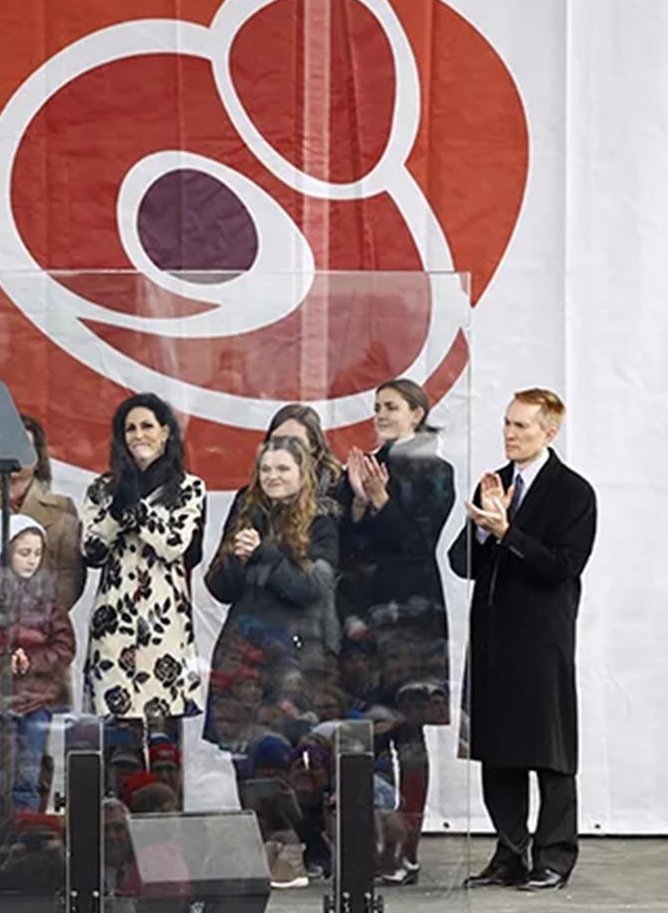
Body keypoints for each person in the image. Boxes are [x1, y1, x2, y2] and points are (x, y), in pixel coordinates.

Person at [449, 389, 596, 892]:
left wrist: (507, 531)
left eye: (522, 427)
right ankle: (509, 852)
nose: (510, 434)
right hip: (492, 637)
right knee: (499, 750)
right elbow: (460, 563)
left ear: (549, 432)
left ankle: (554, 856)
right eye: (508, 424)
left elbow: (561, 567)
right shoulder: (496, 482)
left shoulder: (573, 493)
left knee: (549, 751)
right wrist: (485, 531)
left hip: (541, 638)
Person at [332, 379, 456, 885]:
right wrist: (358, 503)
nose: (381, 413)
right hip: (364, 615)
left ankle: (407, 846)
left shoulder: (437, 470)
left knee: (409, 728)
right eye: (377, 406)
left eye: (392, 406)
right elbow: (339, 541)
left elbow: (418, 542)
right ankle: (377, 842)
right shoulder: (359, 467)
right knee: (371, 730)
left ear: (417, 413)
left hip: (412, 617)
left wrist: (382, 501)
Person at [205, 437, 342, 876]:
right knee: (245, 755)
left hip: (294, 657)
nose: (273, 477)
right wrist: (235, 559)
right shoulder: (248, 513)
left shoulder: (322, 522)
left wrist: (265, 551)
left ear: (302, 474)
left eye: (282, 469)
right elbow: (220, 588)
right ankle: (262, 845)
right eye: (266, 470)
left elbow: (310, 589)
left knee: (296, 756)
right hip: (243, 652)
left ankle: (310, 846)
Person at [81, 394, 205, 730]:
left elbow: (174, 544)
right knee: (119, 736)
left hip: (163, 623)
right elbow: (92, 551)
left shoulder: (189, 488)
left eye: (147, 426)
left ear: (165, 432)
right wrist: (115, 514)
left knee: (164, 733)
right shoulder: (102, 489)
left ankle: (163, 783)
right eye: (130, 429)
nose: (139, 435)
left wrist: (137, 509)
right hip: (114, 623)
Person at [0, 512, 73, 817]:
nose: (31, 561)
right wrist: (3, 661)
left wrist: (33, 662)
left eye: (37, 553)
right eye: (24, 553)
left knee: (27, 777)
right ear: (5, 551)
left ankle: (25, 837)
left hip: (35, 700)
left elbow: (65, 644)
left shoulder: (47, 593)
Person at [0, 415, 85, 615]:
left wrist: (44, 617)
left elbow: (71, 574)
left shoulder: (62, 508)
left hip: (42, 631)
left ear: (38, 459)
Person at [264, 403, 343, 497]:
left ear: (313, 445)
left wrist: (359, 505)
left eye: (295, 441)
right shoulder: (251, 496)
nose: (285, 447)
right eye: (277, 440)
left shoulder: (339, 488)